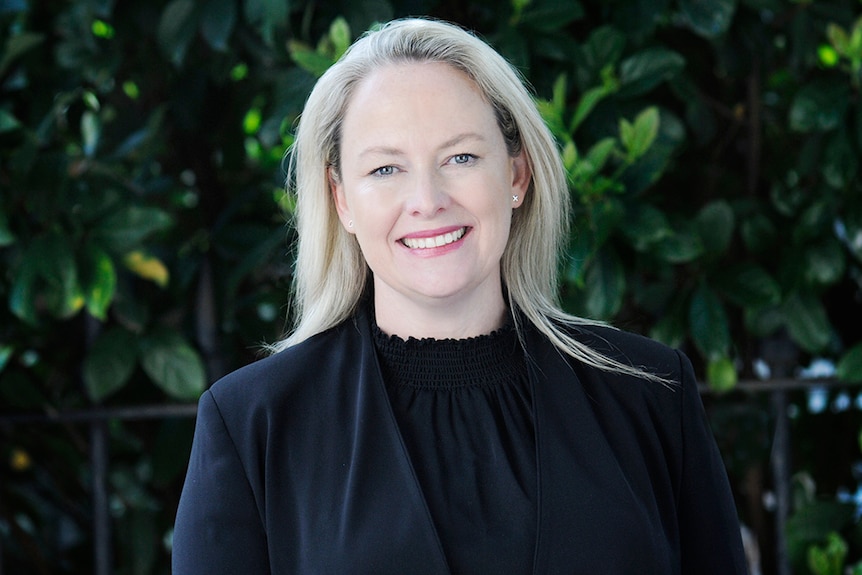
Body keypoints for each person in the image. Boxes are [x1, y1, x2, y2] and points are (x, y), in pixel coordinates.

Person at [172, 17, 748, 574]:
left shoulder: (648, 393)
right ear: (341, 199)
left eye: (461, 158)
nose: (426, 199)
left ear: (517, 175)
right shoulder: (252, 423)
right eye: (385, 169)